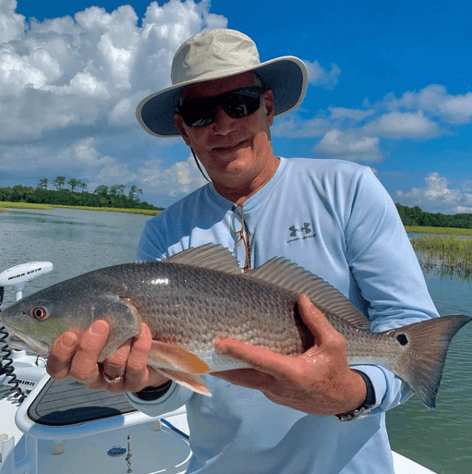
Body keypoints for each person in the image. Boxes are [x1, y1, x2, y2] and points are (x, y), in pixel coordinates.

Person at [47, 29, 439, 473]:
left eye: (240, 103)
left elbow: (411, 332)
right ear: (183, 129)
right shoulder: (163, 232)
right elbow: (175, 388)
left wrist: (351, 392)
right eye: (198, 113)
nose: (223, 124)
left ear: (267, 106)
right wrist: (149, 380)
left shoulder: (348, 188)